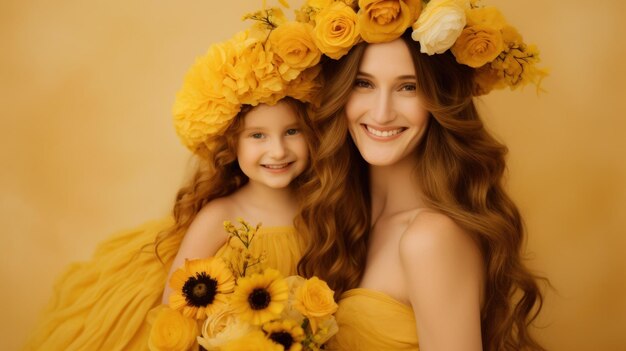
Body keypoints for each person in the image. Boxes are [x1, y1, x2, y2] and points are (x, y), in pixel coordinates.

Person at [22, 9, 323, 350]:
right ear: (231, 144)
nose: (278, 150)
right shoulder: (220, 217)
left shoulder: (319, 208)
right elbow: (175, 305)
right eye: (258, 136)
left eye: (291, 131)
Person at [294, 1, 547, 350]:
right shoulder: (339, 217)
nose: (382, 113)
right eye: (364, 84)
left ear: (439, 101)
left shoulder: (430, 239)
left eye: (408, 87)